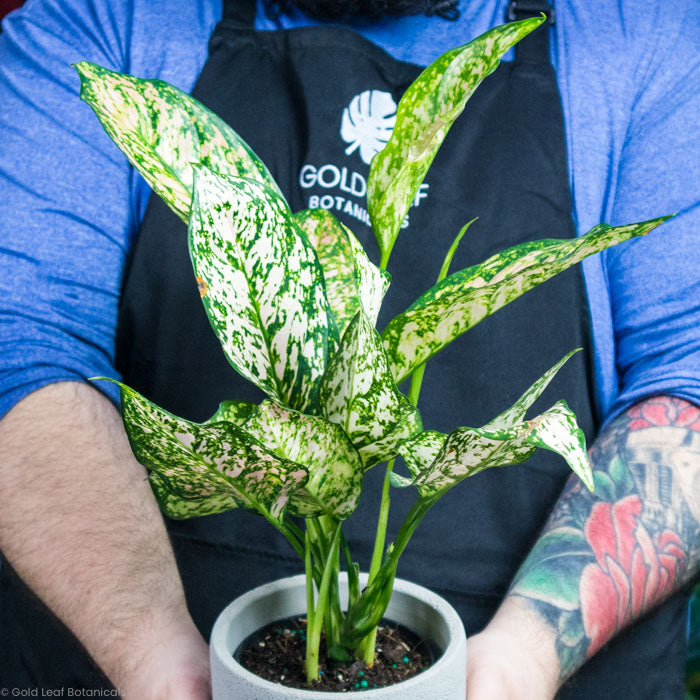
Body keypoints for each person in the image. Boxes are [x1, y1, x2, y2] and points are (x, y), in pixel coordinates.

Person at [0, 0, 698, 697]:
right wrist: (156, 658)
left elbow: (687, 378)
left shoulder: (644, 36)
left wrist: (522, 660)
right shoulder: (100, 25)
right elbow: (23, 348)